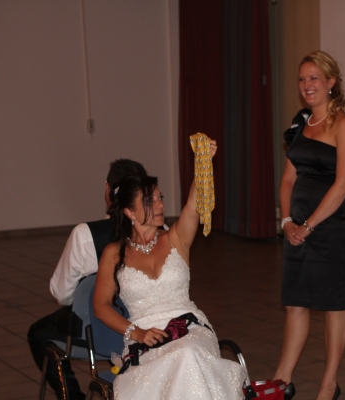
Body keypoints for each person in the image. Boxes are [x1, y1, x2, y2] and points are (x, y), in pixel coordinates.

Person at [93, 141, 246, 400]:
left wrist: (203, 162)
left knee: (187, 355)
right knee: (181, 362)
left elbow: (194, 203)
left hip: (190, 330)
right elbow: (101, 306)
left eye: (160, 198)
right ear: (129, 211)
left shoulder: (176, 238)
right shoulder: (114, 253)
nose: (160, 205)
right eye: (150, 201)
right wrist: (137, 332)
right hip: (146, 339)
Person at [273, 51, 345, 400]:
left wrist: (308, 225)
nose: (307, 85)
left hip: (332, 225)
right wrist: (286, 221)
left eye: (314, 78)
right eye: (302, 79)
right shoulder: (301, 125)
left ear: (331, 82)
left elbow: (343, 184)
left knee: (333, 306)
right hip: (296, 227)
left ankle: (329, 385)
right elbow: (287, 180)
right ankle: (282, 379)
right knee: (295, 303)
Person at [27, 159, 147, 400]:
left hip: (97, 335)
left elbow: (62, 294)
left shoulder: (85, 234)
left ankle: (72, 396)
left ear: (107, 189)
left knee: (38, 333)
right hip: (146, 328)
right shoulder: (161, 234)